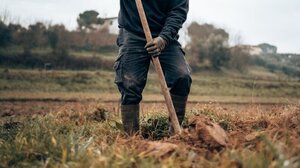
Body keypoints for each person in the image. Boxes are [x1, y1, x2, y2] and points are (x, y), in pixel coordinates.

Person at [114, 0, 192, 135]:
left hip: (165, 35)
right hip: (132, 33)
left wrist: (163, 38)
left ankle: (175, 134)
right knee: (130, 83)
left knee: (182, 76)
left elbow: (178, 13)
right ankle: (132, 139)